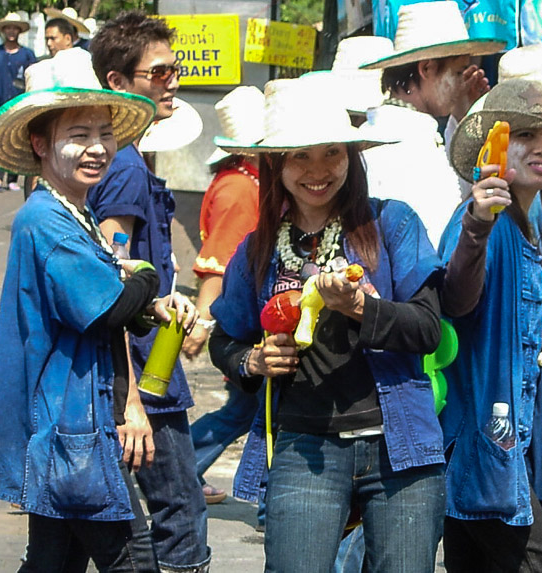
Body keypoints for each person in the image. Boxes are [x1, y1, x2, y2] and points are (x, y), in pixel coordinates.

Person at [208, 77, 446, 572]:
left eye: (332, 153)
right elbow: (223, 338)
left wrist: (361, 308)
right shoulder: (257, 249)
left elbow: (427, 329)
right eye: (300, 156)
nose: (318, 171)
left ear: (352, 156)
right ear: (275, 163)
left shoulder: (393, 224)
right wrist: (250, 360)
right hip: (303, 446)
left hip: (398, 446)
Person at [0, 47, 199, 572]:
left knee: (53, 561)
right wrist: (145, 278)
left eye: (104, 134)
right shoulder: (46, 221)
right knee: (134, 559)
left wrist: (142, 300)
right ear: (40, 144)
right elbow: (108, 310)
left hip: (73, 422)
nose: (98, 148)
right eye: (78, 136)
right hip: (70, 426)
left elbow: (115, 302)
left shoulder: (72, 213)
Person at [439, 78, 542, 572]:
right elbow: (456, 303)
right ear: (496, 146)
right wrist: (478, 225)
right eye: (525, 136)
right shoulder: (486, 223)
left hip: (509, 444)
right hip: (485, 444)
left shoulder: (532, 225)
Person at [87, 11, 211, 572]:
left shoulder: (123, 161)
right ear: (118, 83)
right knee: (180, 513)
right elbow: (115, 282)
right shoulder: (125, 169)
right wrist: (132, 394)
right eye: (158, 73)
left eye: (174, 70)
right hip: (144, 372)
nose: (173, 83)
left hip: (142, 368)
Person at [359, 0, 505, 248]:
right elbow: (448, 234)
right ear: (427, 69)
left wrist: (462, 117)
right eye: (458, 73)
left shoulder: (404, 131)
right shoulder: (404, 143)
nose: (462, 83)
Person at [183, 85, 265, 505]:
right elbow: (216, 261)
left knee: (246, 410)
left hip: (249, 321)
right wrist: (203, 323)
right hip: (244, 325)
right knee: (243, 410)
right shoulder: (240, 190)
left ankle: (180, 471)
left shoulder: (241, 180)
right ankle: (179, 470)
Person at [0, 12, 36, 191]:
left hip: (18, 105)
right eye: (7, 27)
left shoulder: (27, 54)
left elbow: (32, 78)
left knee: (16, 140)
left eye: (14, 28)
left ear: (19, 31)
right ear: (3, 30)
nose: (11, 31)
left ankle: (12, 178)